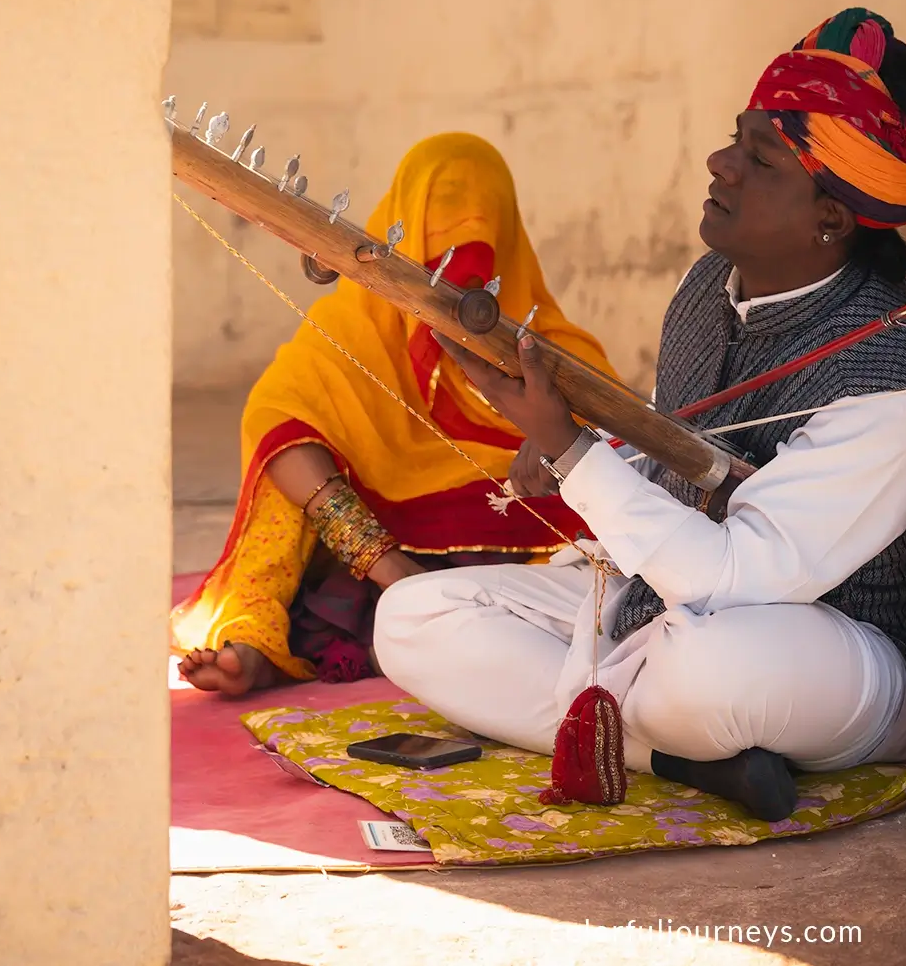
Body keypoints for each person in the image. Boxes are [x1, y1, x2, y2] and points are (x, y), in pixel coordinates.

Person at [373, 8, 906, 820]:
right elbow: (680, 446)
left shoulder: (885, 370)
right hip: (668, 609)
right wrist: (595, 449)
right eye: (734, 137)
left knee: (710, 672)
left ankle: (643, 727)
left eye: (761, 157)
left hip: (824, 648)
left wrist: (576, 455)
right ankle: (675, 757)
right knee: (412, 615)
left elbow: (742, 576)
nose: (721, 162)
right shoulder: (707, 287)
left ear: (832, 216)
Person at [172, 133, 617, 695]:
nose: (456, 274)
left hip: (503, 560)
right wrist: (390, 570)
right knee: (283, 431)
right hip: (375, 560)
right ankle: (257, 637)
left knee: (595, 549)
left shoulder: (551, 346)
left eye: (473, 240)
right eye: (439, 236)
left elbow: (615, 469)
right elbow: (276, 418)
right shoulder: (356, 327)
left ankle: (451, 635)